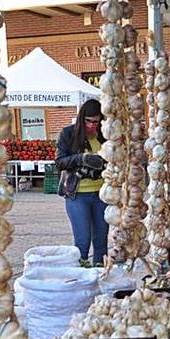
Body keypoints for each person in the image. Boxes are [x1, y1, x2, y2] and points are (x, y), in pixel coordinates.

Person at [55, 99, 108, 266]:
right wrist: (82, 158)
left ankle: (100, 273)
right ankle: (81, 276)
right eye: (89, 121)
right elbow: (59, 162)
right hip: (77, 194)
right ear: (81, 118)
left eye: (96, 122)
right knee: (82, 240)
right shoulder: (68, 134)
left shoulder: (103, 135)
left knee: (101, 240)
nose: (92, 126)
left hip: (102, 194)